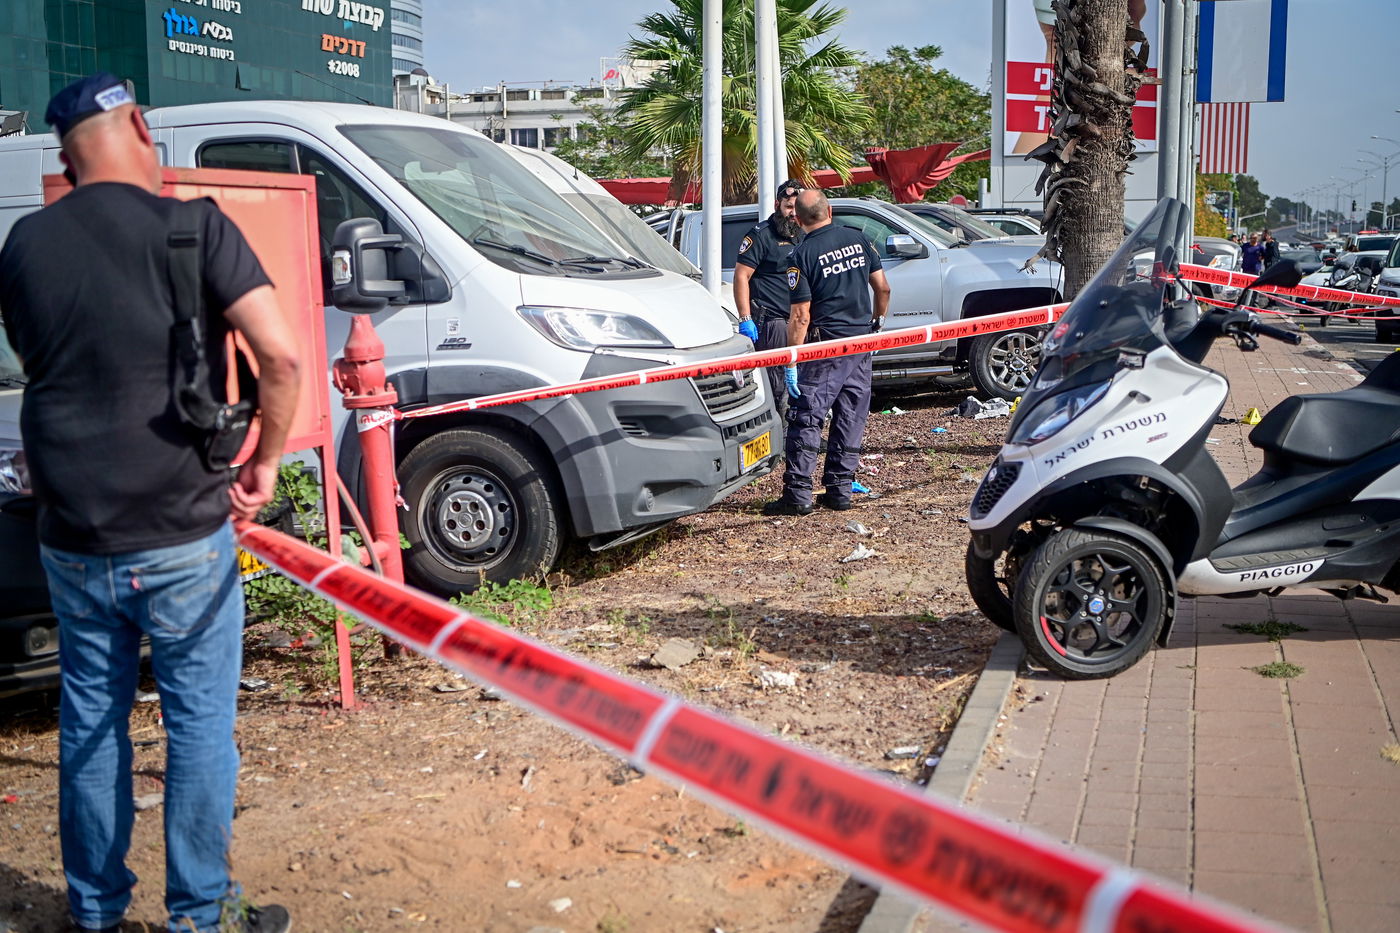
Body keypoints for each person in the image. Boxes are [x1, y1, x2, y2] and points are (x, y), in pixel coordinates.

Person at [0, 73, 301, 933]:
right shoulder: (194, 228)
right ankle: (199, 916)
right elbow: (280, 358)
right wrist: (264, 463)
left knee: (91, 722)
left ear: (66, 159)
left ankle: (96, 912)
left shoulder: (24, 244)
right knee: (198, 725)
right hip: (182, 532)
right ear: (138, 126)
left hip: (72, 535)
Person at [762, 190, 890, 515]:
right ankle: (840, 490)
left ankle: (798, 495)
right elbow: (883, 287)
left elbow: (800, 316)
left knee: (807, 417)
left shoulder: (801, 255)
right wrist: (877, 322)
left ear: (797, 219)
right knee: (851, 416)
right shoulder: (858, 238)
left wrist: (791, 359)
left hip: (826, 347)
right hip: (861, 343)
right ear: (829, 210)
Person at [733, 179, 805, 408]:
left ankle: (798, 427)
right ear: (777, 205)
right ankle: (780, 428)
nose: (793, 213)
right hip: (774, 322)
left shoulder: (803, 232)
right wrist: (745, 318)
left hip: (801, 320)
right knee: (778, 385)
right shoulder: (761, 235)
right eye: (788, 207)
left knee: (803, 382)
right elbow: (741, 276)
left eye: (797, 208)